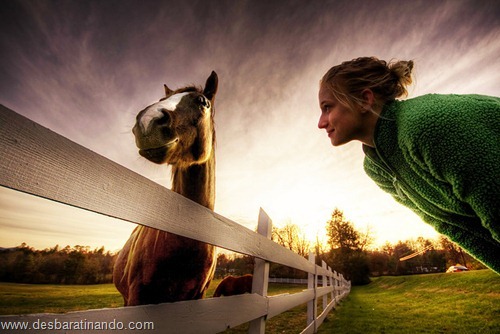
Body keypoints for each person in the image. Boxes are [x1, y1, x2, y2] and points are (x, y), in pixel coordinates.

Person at [317, 56, 500, 274]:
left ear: (364, 100)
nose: (321, 123)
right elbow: (455, 227)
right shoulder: (377, 168)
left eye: (327, 107)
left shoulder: (425, 128)